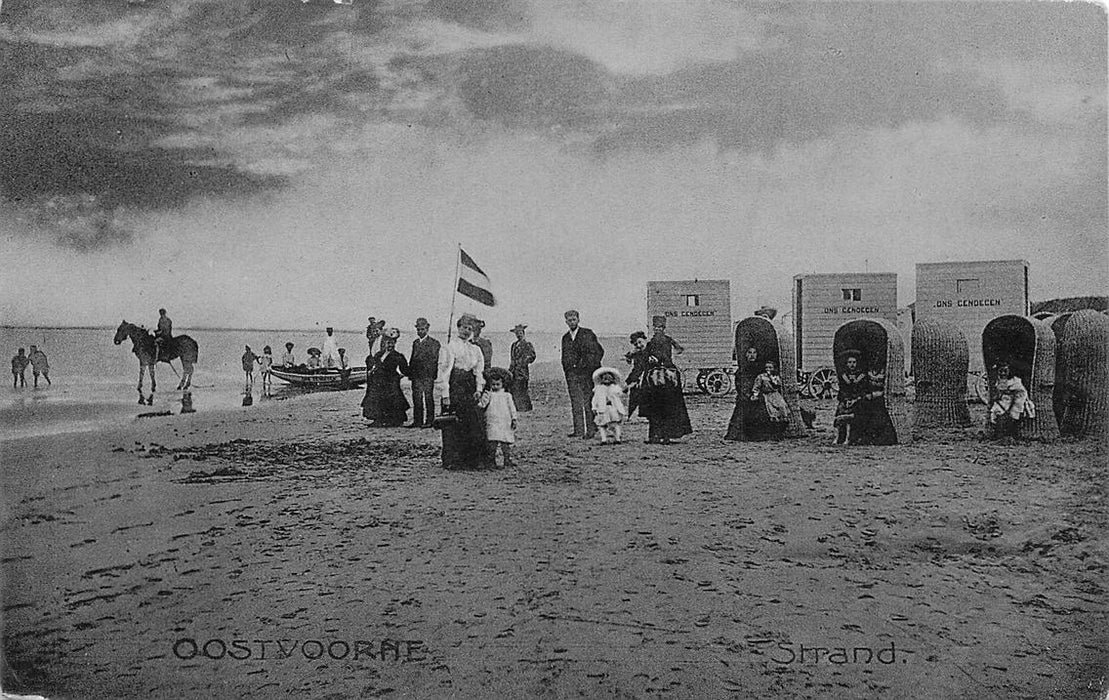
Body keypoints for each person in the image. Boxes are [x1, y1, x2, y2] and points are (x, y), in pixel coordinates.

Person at [436, 314, 490, 469]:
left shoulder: (476, 349)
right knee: (453, 424)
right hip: (455, 386)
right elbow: (444, 372)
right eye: (464, 327)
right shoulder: (449, 347)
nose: (467, 331)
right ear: (458, 328)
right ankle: (453, 460)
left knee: (473, 422)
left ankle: (472, 460)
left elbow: (479, 372)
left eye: (470, 328)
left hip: (470, 387)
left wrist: (479, 389)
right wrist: (445, 395)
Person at [639, 318, 692, 444]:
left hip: (660, 376)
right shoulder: (664, 340)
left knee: (660, 408)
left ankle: (659, 436)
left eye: (660, 327)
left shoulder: (657, 341)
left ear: (663, 328)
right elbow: (680, 349)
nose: (657, 330)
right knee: (665, 407)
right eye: (656, 327)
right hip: (664, 375)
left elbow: (658, 356)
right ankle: (662, 436)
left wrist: (653, 359)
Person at [561, 310, 605, 439]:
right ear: (566, 322)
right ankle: (578, 430)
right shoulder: (565, 338)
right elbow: (564, 357)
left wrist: (588, 367)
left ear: (578, 320)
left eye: (574, 319)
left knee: (588, 402)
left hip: (586, 374)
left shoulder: (587, 334)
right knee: (575, 402)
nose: (572, 322)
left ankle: (591, 430)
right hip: (572, 376)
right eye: (569, 320)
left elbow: (598, 352)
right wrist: (568, 371)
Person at [362, 328, 410, 427]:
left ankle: (393, 420)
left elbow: (404, 369)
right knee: (377, 399)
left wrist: (404, 375)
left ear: (395, 344)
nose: (390, 345)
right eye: (388, 343)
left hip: (390, 381)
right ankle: (378, 419)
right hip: (379, 380)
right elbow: (373, 364)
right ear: (384, 343)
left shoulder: (398, 356)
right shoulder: (379, 354)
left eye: (392, 343)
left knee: (392, 400)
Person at [725, 346, 771, 441]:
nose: (752, 355)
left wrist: (757, 394)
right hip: (745, 397)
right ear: (746, 355)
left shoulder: (759, 369)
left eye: (754, 353)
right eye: (749, 353)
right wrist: (748, 395)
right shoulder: (742, 369)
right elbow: (740, 385)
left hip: (757, 396)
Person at [479, 368, 518, 467]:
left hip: (505, 421)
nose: (495, 387)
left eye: (498, 384)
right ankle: (491, 461)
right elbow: (482, 405)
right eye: (493, 384)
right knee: (492, 442)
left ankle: (507, 459)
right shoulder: (489, 395)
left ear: (502, 384)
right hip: (492, 421)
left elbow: (512, 408)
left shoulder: (507, 396)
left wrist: (514, 418)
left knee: (505, 442)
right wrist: (480, 400)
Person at [408, 317, 441, 428]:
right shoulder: (415, 343)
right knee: (416, 399)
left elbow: (434, 360)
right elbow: (412, 359)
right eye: (418, 329)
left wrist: (432, 374)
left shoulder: (434, 343)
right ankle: (418, 421)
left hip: (427, 375)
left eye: (422, 329)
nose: (420, 331)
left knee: (428, 398)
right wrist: (410, 373)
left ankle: (430, 420)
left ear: (427, 329)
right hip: (416, 376)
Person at [988, 361, 1034, 437]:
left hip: (1017, 399)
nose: (1003, 373)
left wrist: (1013, 406)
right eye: (1001, 371)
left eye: (1005, 371)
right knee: (996, 411)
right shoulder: (999, 381)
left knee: (1014, 413)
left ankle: (1012, 433)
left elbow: (1021, 394)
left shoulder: (1015, 381)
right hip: (1004, 400)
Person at [834, 351, 867, 445]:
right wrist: (845, 400)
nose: (852, 365)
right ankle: (838, 437)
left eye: (854, 362)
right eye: (850, 362)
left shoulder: (861, 376)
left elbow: (861, 390)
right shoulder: (844, 376)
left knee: (855, 416)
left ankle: (850, 438)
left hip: (857, 400)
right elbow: (842, 390)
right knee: (840, 414)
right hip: (845, 400)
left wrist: (854, 400)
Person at [591, 367, 627, 444]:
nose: (606, 379)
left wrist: (623, 391)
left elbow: (620, 394)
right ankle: (603, 439)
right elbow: (595, 399)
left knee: (615, 424)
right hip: (602, 409)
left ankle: (617, 438)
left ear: (613, 379)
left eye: (609, 378)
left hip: (613, 408)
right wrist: (594, 407)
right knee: (602, 425)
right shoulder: (599, 388)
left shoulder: (615, 388)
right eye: (604, 378)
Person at [752, 360, 789, 435]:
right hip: (767, 395)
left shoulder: (776, 377)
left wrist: (773, 379)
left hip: (776, 395)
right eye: (766, 367)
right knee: (772, 412)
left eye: (770, 367)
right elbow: (756, 387)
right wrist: (755, 395)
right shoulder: (761, 377)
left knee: (783, 408)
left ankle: (781, 430)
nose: (768, 369)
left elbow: (778, 385)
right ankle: (774, 432)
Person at [508, 324, 536, 412]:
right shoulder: (514, 345)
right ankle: (517, 407)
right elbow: (512, 358)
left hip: (522, 371)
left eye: (520, 333)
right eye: (517, 333)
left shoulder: (527, 344)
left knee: (522, 388)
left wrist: (524, 362)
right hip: (514, 370)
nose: (518, 335)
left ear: (523, 333)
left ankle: (526, 408)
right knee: (514, 388)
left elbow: (532, 356)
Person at [624, 332, 650, 419]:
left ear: (645, 339)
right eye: (636, 344)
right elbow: (637, 369)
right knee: (634, 390)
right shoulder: (638, 354)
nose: (639, 345)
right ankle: (631, 414)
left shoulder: (652, 349)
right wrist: (630, 381)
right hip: (642, 377)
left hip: (653, 376)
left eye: (640, 342)